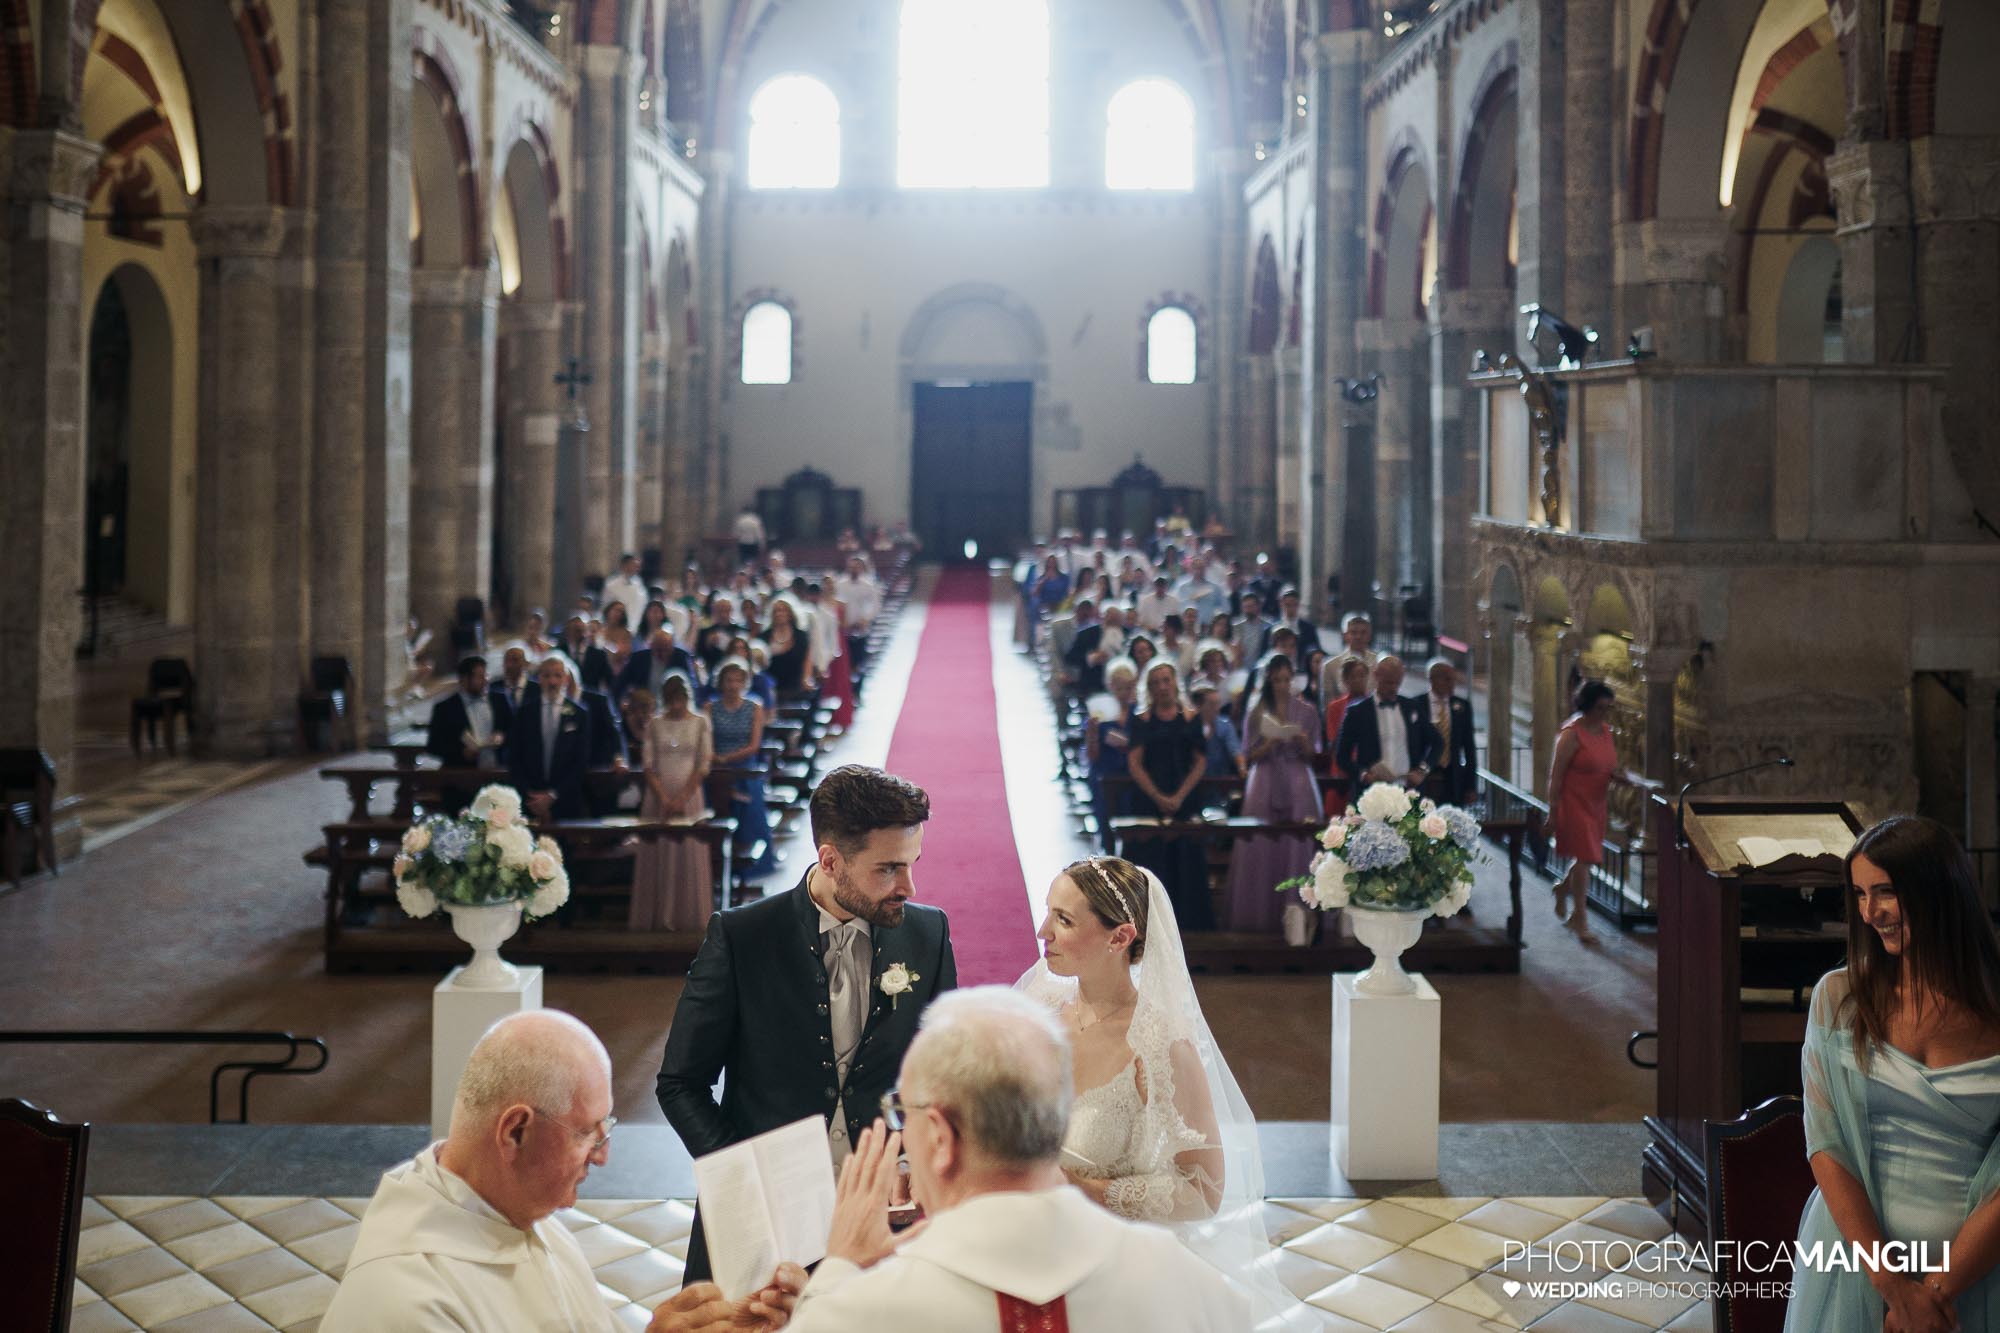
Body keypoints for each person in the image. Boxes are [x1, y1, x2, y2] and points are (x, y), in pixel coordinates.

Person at [782, 987, 1246, 1331]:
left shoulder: (860, 1313)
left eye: (905, 1113)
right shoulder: (1196, 1291)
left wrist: (836, 1273)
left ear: (941, 1137)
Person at [657, 765, 958, 1282]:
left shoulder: (927, 935)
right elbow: (681, 1083)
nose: (908, 886)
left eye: (911, 864)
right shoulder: (742, 937)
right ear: (830, 860)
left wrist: (914, 1161)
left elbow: (944, 1075)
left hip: (882, 1217)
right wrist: (742, 1172)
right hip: (760, 1215)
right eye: (888, 869)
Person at [324, 1011, 801, 1332]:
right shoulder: (405, 1306)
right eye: (587, 1133)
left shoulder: (518, 1220)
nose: (603, 1155)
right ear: (514, 1132)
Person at [1017, 859, 1310, 1329]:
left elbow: (1203, 1191)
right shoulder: (1037, 1008)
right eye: (1048, 912)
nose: (1042, 931)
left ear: (1120, 937)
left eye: (1064, 920)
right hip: (1024, 1245)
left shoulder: (1159, 1045)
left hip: (1111, 1271)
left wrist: (1084, 1189)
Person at [1784, 816, 2000, 1333]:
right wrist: (1892, 1286)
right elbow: (1827, 1147)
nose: (1869, 913)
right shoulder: (1839, 1000)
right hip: (1857, 1263)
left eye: (1885, 892)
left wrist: (1934, 1293)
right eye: (1859, 894)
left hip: (1979, 1270)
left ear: (1940, 894)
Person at [1546, 680, 1649, 943]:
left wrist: (1629, 780)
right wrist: (1553, 810)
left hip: (1596, 803)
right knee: (1584, 859)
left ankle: (1562, 889)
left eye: (1608, 708)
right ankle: (1579, 918)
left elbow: (1608, 766)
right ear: (1588, 704)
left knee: (1588, 858)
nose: (1605, 713)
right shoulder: (1571, 733)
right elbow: (1555, 777)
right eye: (1601, 707)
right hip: (1574, 802)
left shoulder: (1604, 731)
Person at [1226, 655, 1321, 934]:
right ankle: (1257, 917)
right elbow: (1248, 755)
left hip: (1297, 779)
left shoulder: (1307, 710)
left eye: (1286, 679)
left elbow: (1314, 754)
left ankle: (1300, 921)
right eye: (1277, 679)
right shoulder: (1256, 710)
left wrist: (1302, 742)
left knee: (1297, 842)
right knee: (1260, 844)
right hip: (1265, 780)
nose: (1282, 685)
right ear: (1268, 680)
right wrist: (1269, 742)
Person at [1125, 660, 1213, 930]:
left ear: (1175, 683)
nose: (1162, 687)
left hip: (1184, 799)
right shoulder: (1141, 720)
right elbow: (1135, 763)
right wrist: (1159, 797)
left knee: (1187, 865)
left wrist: (1179, 796)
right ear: (1149, 688)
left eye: (1166, 680)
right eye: (1156, 683)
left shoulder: (1190, 718)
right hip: (1150, 800)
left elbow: (1199, 762)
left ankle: (1191, 931)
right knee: (1152, 865)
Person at [629, 674, 712, 931]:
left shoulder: (700, 722)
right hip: (658, 799)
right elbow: (648, 764)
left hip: (690, 795)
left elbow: (703, 763)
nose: (676, 706)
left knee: (687, 851)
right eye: (671, 700)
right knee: (659, 851)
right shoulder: (655, 723)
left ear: (687, 698)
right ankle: (656, 919)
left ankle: (688, 918)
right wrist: (664, 797)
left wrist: (682, 797)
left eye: (681, 700)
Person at [1332, 655, 1441, 802]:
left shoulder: (1412, 707)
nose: (1393, 688)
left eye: (1397, 683)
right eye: (1388, 683)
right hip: (1372, 793)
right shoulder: (1357, 712)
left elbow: (1437, 742)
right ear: (1376, 675)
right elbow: (1341, 756)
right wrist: (1363, 774)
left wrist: (1423, 770)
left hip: (1408, 790)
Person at [708, 657, 779, 880]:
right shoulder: (710, 707)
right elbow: (706, 738)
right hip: (717, 768)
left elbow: (754, 745)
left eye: (738, 680)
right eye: (729, 680)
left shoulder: (754, 706)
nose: (733, 685)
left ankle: (753, 865)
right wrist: (715, 758)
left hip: (744, 766)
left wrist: (728, 758)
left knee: (750, 811)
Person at [510, 656, 595, 820]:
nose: (552, 682)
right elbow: (515, 756)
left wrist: (553, 795)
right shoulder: (525, 712)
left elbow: (581, 761)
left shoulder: (579, 714)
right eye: (547, 676)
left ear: (566, 679)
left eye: (557, 676)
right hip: (530, 799)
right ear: (539, 679)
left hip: (565, 799)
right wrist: (530, 794)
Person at [1086, 660, 1140, 854]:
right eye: (1118, 687)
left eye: (1127, 687)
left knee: (1131, 829)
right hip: (1105, 775)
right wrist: (1092, 733)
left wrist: (1129, 745)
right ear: (1110, 686)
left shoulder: (1139, 713)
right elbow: (1092, 755)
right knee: (1107, 824)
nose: (1123, 692)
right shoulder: (1100, 714)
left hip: (1131, 776)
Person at [426, 655, 503, 776]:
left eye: (485, 675)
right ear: (464, 679)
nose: (485, 680)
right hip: (461, 777)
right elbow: (434, 746)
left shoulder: (499, 700)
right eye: (480, 677)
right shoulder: (445, 708)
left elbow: (512, 729)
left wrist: (502, 736)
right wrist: (461, 752)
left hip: (497, 773)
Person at [1424, 658, 1479, 808]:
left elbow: (1469, 747)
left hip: (1454, 778)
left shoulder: (1462, 706)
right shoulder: (1417, 704)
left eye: (1453, 679)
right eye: (1447, 679)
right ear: (1432, 680)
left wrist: (1471, 786)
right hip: (1426, 777)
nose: (1452, 684)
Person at [1320, 654, 1370, 817]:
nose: (1358, 680)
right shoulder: (1335, 707)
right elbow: (1335, 739)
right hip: (1343, 765)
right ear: (1345, 680)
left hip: (1367, 766)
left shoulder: (1374, 704)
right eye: (1353, 676)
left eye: (1362, 676)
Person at [620, 625, 702, 703]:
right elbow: (620, 685)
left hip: (672, 706)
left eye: (666, 650)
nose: (663, 654)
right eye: (659, 650)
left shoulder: (681, 657)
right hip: (643, 706)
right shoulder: (638, 658)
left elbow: (692, 686)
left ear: (672, 647)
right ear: (651, 647)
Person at [1318, 612, 1378, 702]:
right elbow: (1328, 705)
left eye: (1363, 633)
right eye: (1353, 633)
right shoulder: (1330, 666)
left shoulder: (1378, 663)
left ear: (1369, 636)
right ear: (1345, 636)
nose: (1358, 637)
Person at [1190, 681, 1243, 780]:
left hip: (1222, 781)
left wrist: (1242, 768)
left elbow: (1235, 751)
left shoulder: (1225, 725)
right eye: (1211, 704)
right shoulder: (1190, 727)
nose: (1217, 708)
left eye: (1217, 703)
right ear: (1199, 706)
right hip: (1196, 783)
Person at [766, 597, 815, 697]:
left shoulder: (801, 636)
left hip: (795, 687)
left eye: (783, 610)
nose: (779, 613)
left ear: (790, 613)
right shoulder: (764, 637)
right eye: (776, 611)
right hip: (771, 689)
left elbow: (807, 660)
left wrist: (806, 679)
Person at [602, 552, 648, 631]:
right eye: (633, 564)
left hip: (637, 626)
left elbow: (643, 603)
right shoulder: (612, 585)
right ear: (624, 565)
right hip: (618, 628)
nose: (637, 567)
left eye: (637, 565)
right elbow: (606, 607)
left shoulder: (639, 584)